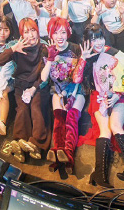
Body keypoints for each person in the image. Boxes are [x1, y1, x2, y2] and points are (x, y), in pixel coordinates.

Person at [77, 24, 124, 187]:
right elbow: (76, 79)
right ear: (87, 42)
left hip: (120, 95)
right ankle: (99, 174)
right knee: (105, 131)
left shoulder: (114, 53)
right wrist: (83, 59)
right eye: (93, 39)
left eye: (100, 37)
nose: (98, 42)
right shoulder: (88, 57)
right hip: (98, 97)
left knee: (115, 125)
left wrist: (117, 95)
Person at [0, 18, 49, 162]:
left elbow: (44, 75)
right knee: (22, 109)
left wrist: (33, 89)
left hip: (38, 84)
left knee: (36, 108)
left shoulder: (43, 47)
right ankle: (20, 141)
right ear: (21, 34)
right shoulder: (17, 45)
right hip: (21, 84)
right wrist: (13, 49)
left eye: (33, 30)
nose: (31, 35)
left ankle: (37, 143)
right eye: (26, 32)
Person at [41, 17, 87, 173]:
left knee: (71, 118)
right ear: (50, 34)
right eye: (55, 33)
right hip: (57, 90)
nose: (59, 36)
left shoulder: (75, 49)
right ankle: (57, 152)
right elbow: (43, 78)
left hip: (76, 89)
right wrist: (50, 59)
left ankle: (69, 155)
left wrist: (71, 94)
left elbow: (79, 77)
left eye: (62, 32)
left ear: (68, 33)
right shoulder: (47, 50)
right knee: (59, 119)